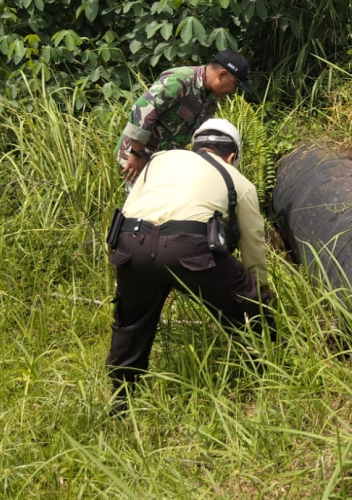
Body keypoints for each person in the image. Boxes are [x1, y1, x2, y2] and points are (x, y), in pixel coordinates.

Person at [106, 118, 271, 416]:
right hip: (190, 247)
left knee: (132, 321)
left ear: (195, 145)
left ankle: (121, 400)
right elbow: (254, 243)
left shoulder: (158, 159)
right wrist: (256, 289)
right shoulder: (238, 180)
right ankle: (268, 372)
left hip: (132, 242)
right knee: (249, 302)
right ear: (232, 155)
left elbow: (133, 202)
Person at [115, 50, 253, 184]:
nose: (234, 91)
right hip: (137, 156)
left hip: (163, 163)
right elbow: (142, 110)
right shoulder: (180, 80)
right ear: (222, 74)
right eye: (236, 84)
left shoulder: (210, 99)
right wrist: (136, 154)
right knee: (139, 204)